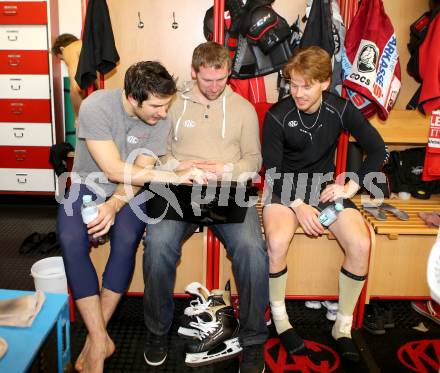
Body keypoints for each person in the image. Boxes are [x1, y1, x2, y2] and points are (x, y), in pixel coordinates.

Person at [57, 61, 196, 373]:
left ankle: (95, 344)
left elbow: (138, 175)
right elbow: (112, 169)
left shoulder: (160, 120)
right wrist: (172, 176)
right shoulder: (96, 107)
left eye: (167, 105)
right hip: (88, 183)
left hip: (132, 189)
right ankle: (100, 338)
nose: (163, 113)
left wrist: (113, 206)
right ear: (134, 99)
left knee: (126, 237)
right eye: (157, 106)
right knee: (69, 238)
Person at [142, 42, 269, 373]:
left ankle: (254, 340)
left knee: (252, 250)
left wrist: (225, 171)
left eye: (221, 79)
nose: (214, 87)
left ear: (228, 73)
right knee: (157, 246)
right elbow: (157, 153)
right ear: (194, 72)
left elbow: (253, 161)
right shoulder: (172, 105)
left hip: (227, 190)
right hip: (179, 188)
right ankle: (157, 332)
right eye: (207, 80)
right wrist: (180, 169)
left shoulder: (242, 109)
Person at [262, 46, 388, 361]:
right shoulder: (277, 116)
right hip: (283, 189)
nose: (298, 92)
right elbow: (272, 173)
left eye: (307, 85)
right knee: (276, 242)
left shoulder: (340, 109)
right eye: (293, 84)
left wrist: (349, 187)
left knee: (360, 244)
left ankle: (342, 327)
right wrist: (297, 204)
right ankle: (280, 319)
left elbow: (378, 150)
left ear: (324, 83)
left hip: (325, 191)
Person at [52, 33, 86, 126]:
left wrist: (77, 118)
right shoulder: (85, 45)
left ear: (62, 49)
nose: (65, 62)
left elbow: (76, 87)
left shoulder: (69, 50)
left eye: (62, 59)